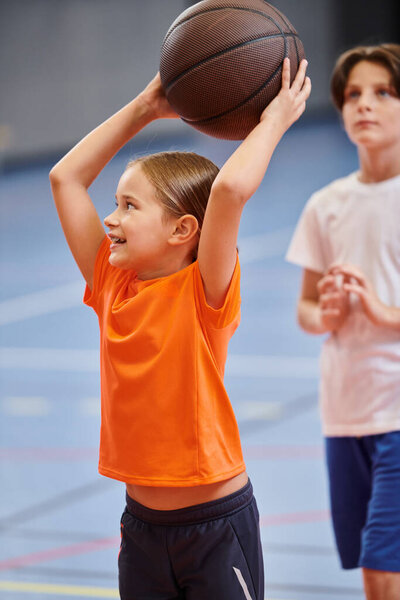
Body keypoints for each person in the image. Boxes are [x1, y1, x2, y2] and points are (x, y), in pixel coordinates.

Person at [49, 57, 310, 600]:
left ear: (183, 229)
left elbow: (230, 191)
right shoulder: (112, 285)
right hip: (142, 526)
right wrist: (146, 108)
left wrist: (276, 119)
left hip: (215, 524)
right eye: (114, 203)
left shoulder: (204, 292)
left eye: (129, 206)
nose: (110, 219)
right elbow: (65, 177)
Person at [286, 44, 400, 600]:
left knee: (384, 569)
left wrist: (385, 314)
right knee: (371, 569)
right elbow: (306, 310)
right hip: (345, 412)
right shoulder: (325, 205)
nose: (365, 105)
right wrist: (325, 313)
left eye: (383, 92)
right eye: (353, 95)